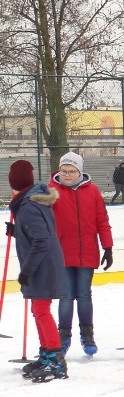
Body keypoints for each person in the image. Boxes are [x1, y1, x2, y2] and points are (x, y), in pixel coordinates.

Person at [9, 160, 69, 382]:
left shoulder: (28, 206)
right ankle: (46, 354)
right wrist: (17, 232)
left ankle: (55, 360)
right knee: (38, 310)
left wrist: (26, 270)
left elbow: (42, 240)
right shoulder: (34, 202)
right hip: (44, 265)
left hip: (42, 267)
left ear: (15, 184)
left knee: (42, 311)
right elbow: (39, 233)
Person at [48, 152, 113, 357]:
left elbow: (101, 220)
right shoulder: (52, 192)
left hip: (87, 252)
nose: (67, 175)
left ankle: (87, 335)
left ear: (80, 171)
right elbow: (41, 220)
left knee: (84, 295)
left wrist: (108, 247)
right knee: (66, 296)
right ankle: (63, 336)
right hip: (62, 254)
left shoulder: (92, 191)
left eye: (71, 171)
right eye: (63, 170)